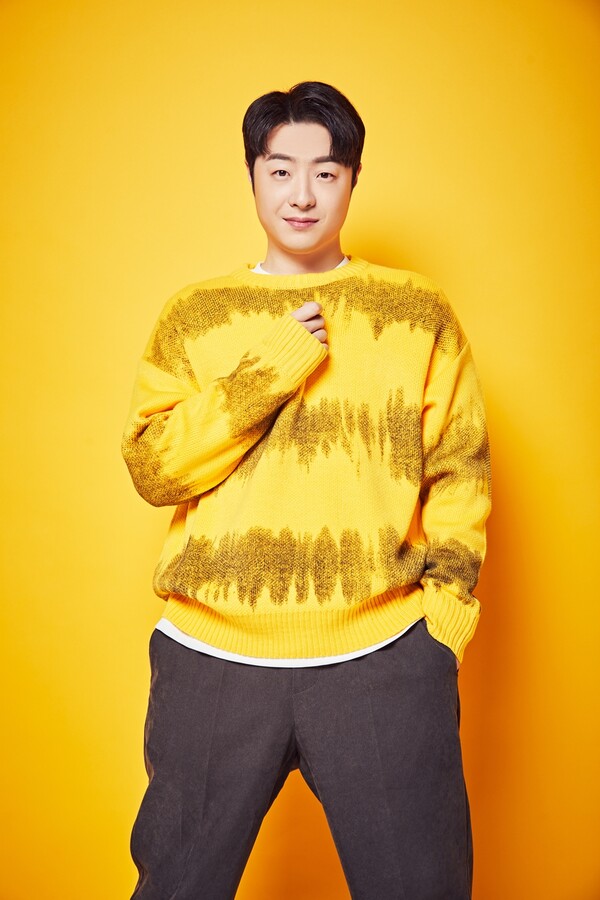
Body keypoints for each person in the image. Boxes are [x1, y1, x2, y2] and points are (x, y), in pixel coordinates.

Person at [122, 81, 491, 900]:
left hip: (384, 656)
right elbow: (153, 469)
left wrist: (441, 625)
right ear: (252, 175)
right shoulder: (195, 315)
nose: (302, 194)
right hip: (213, 656)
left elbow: (460, 467)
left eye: (325, 173)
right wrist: (269, 371)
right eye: (281, 169)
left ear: (353, 180)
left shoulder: (416, 310)